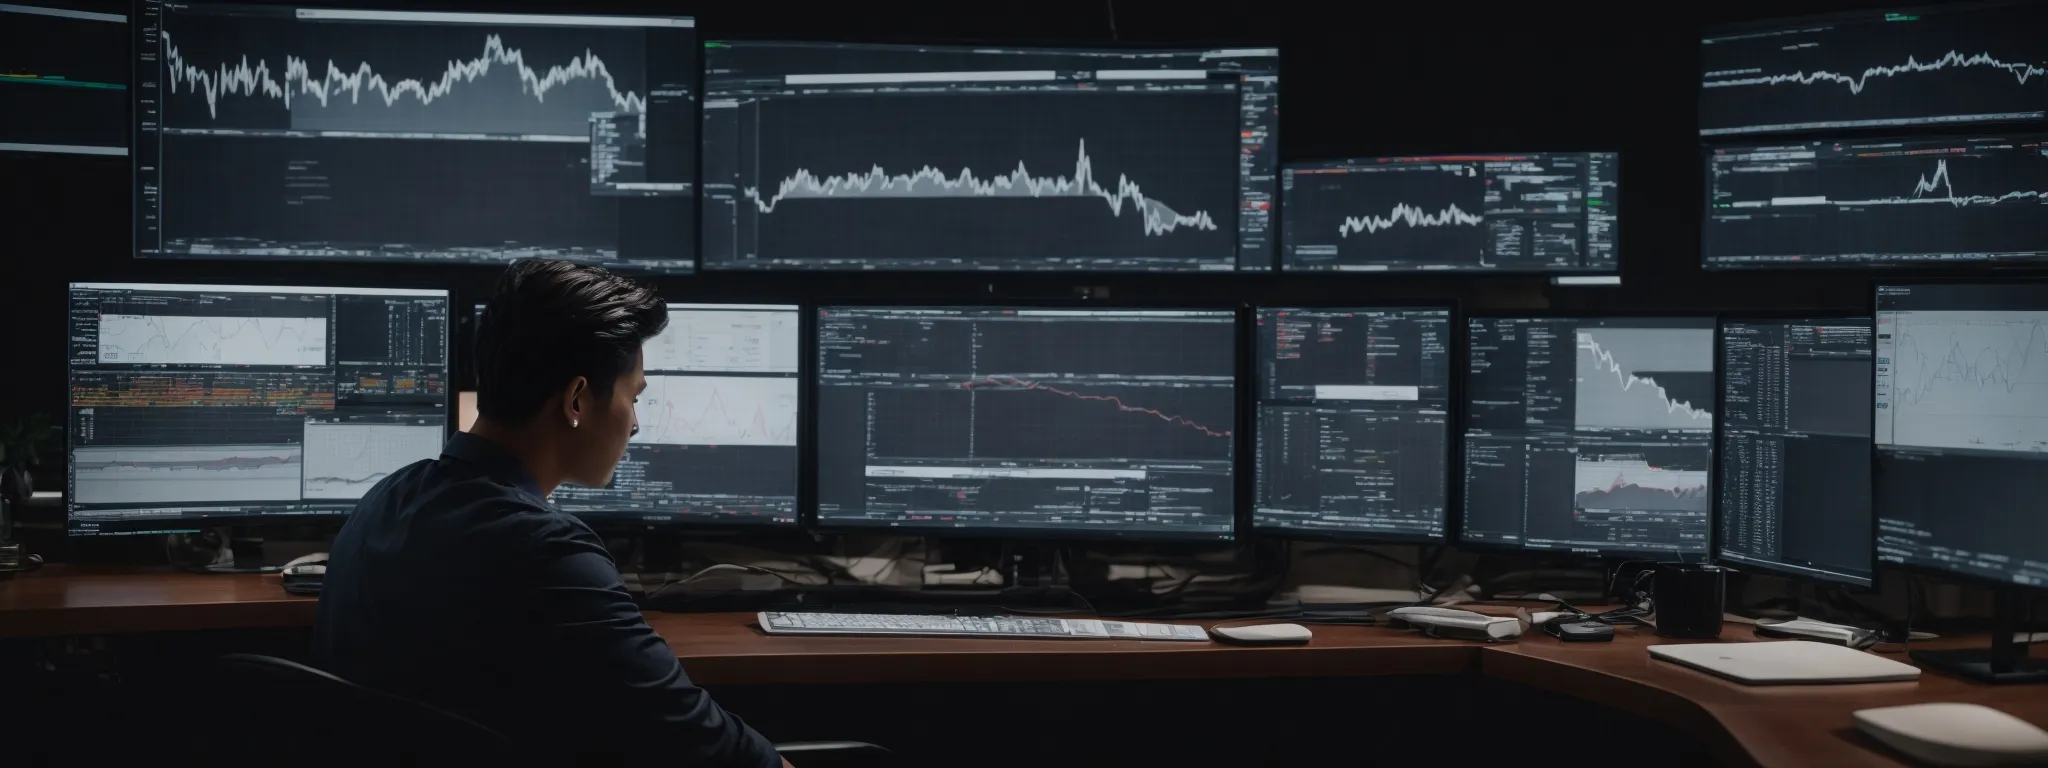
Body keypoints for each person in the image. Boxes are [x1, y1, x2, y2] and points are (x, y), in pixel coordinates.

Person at [313, 259, 790, 768]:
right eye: (634, 398)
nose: (635, 427)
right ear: (577, 400)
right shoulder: (549, 556)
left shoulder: (386, 497)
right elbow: (714, 752)